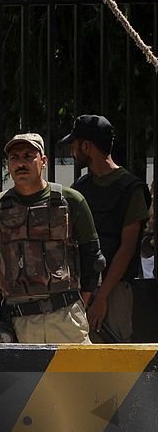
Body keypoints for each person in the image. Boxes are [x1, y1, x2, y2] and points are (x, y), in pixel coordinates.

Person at [0, 133, 103, 344]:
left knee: (76, 377)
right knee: (26, 378)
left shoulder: (71, 200)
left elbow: (92, 257)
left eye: (29, 156)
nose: (21, 163)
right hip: (19, 319)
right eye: (14, 158)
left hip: (66, 315)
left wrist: (81, 302)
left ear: (43, 161)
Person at [60, 115, 149, 343]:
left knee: (115, 358)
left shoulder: (131, 188)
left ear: (87, 146)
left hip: (116, 289)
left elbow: (127, 247)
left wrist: (102, 297)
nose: (72, 151)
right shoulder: (81, 188)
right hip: (85, 288)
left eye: (75, 144)